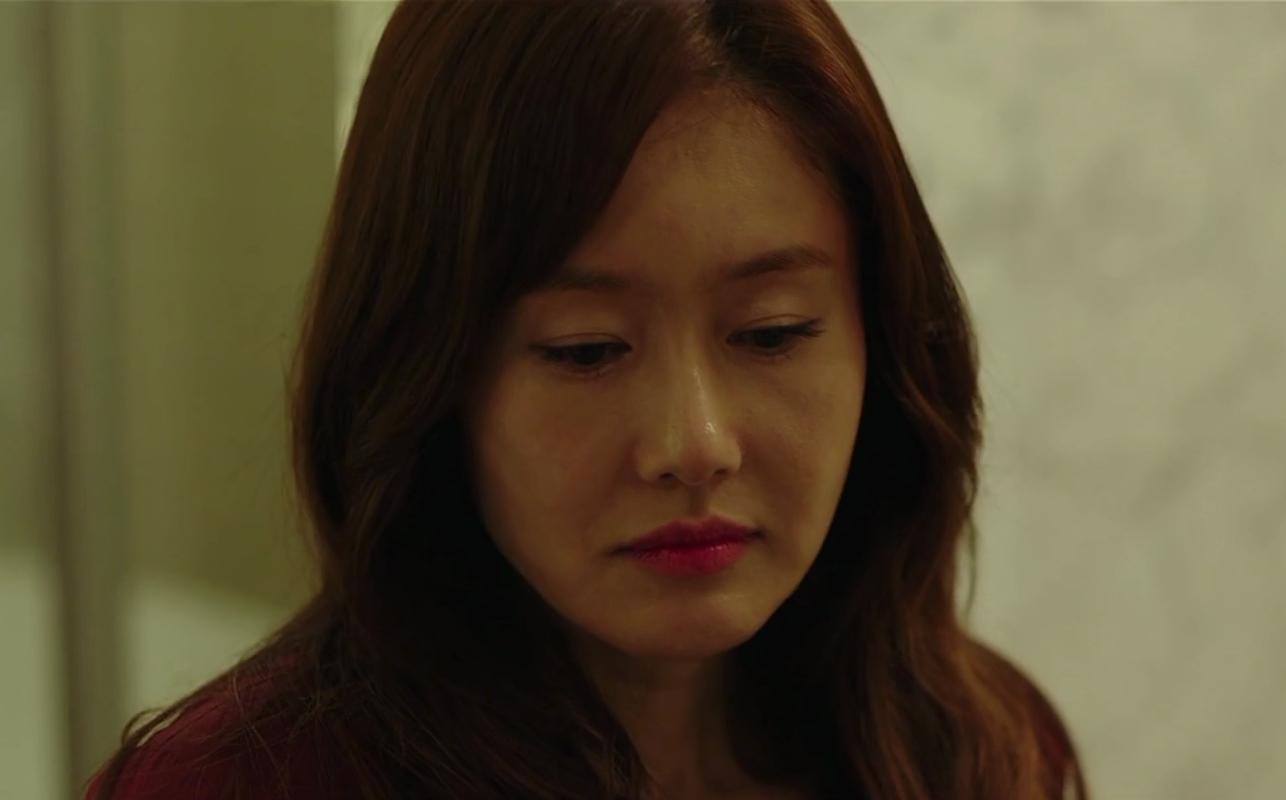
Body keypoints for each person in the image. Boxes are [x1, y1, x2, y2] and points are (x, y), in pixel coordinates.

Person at [86, 1, 1089, 798]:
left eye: (771, 332)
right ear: (429, 371)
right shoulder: (237, 785)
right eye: (587, 349)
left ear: (884, 337)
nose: (693, 443)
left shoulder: (979, 754)